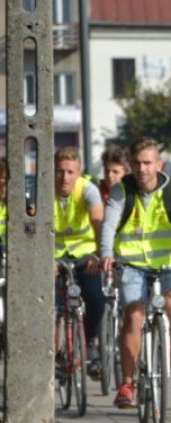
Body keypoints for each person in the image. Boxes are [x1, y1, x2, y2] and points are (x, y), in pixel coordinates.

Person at [99, 136, 171, 409]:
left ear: (159, 164)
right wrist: (106, 254)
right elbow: (109, 225)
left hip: (168, 265)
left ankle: (170, 341)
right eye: (136, 163)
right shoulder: (121, 192)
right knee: (133, 317)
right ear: (129, 164)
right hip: (132, 266)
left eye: (147, 163)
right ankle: (127, 384)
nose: (142, 169)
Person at [53, 147, 106, 377]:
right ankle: (55, 353)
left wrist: (99, 255)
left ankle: (91, 341)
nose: (64, 177)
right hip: (54, 256)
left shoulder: (88, 190)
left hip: (86, 255)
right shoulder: (43, 191)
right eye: (60, 171)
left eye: (70, 172)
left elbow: (98, 222)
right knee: (49, 306)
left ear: (79, 172)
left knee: (96, 298)